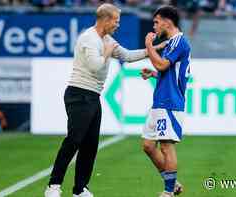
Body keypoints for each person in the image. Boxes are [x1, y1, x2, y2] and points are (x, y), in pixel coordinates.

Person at [44, 3, 164, 197]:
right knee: (74, 140)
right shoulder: (88, 38)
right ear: (105, 19)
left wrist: (154, 48)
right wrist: (107, 50)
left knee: (90, 144)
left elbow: (127, 56)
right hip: (79, 93)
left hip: (92, 96)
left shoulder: (106, 39)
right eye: (116, 21)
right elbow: (95, 66)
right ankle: (53, 186)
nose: (118, 25)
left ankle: (80, 189)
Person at [141, 5, 191, 197]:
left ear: (167, 21)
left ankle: (168, 191)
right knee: (147, 145)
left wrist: (148, 45)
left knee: (166, 145)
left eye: (156, 22)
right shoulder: (172, 43)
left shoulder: (180, 41)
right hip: (160, 101)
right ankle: (172, 182)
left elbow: (162, 64)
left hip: (170, 102)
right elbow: (168, 71)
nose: (154, 26)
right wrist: (154, 74)